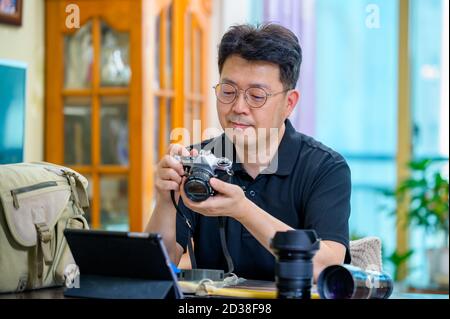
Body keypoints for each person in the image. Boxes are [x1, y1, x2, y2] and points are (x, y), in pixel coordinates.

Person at [146, 23, 351, 281]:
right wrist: (166, 201)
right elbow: (157, 270)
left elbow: (326, 268)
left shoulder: (325, 168)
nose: (239, 107)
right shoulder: (197, 162)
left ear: (289, 103)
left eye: (256, 96)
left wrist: (242, 209)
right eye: (228, 91)